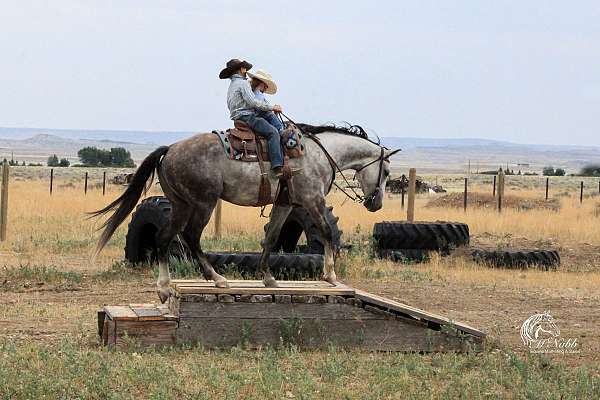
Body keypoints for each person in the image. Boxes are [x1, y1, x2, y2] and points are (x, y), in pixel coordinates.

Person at [219, 59, 297, 178]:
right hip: (247, 117)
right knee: (273, 133)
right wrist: (273, 107)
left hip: (238, 117)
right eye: (244, 68)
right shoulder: (243, 83)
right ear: (241, 69)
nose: (245, 70)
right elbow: (253, 102)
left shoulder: (232, 85)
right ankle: (277, 167)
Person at [248, 69, 284, 134]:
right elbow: (261, 106)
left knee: (269, 114)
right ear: (262, 84)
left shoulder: (250, 92)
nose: (266, 89)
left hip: (252, 116)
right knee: (269, 114)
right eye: (266, 86)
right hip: (255, 117)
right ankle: (281, 131)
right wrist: (273, 108)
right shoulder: (258, 93)